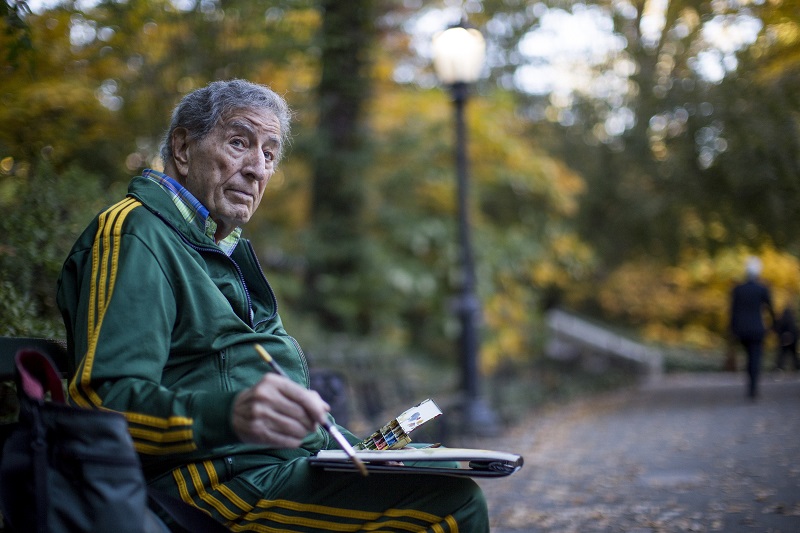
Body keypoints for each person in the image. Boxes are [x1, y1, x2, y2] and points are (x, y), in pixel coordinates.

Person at [57, 79, 488, 531]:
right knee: (451, 504)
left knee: (438, 466)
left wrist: (357, 449)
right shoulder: (136, 232)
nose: (256, 168)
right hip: (203, 487)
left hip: (268, 469)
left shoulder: (224, 251)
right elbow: (103, 405)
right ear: (183, 149)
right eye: (239, 143)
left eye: (269, 154)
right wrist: (229, 416)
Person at [729, 256, 774, 399]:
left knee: (749, 357)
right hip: (757, 329)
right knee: (755, 358)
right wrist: (774, 327)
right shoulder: (762, 289)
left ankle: (751, 386)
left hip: (742, 330)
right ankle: (753, 387)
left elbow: (733, 312)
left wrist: (732, 330)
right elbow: (770, 309)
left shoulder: (738, 290)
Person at [774, 305, 800, 372]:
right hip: (792, 340)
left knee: (782, 355)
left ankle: (779, 367)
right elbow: (795, 331)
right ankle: (797, 367)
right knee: (793, 355)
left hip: (784, 340)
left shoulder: (782, 320)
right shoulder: (792, 321)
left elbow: (777, 329)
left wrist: (783, 337)